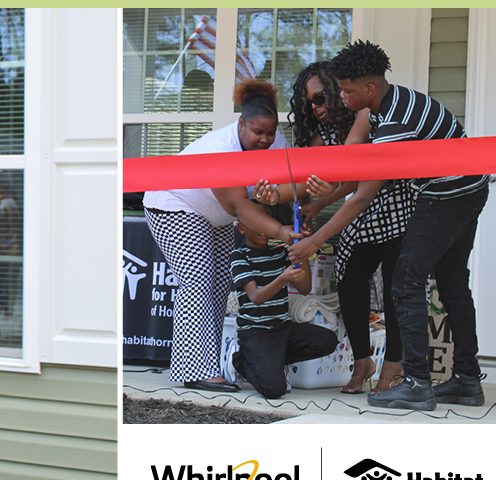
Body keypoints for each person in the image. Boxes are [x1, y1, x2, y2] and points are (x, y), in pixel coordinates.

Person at [327, 40, 490, 411]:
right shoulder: (391, 103)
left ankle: (416, 382)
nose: (342, 95)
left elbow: (365, 194)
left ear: (369, 88)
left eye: (347, 89)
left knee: (405, 280)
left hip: (448, 192)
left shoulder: (394, 120)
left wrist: (317, 234)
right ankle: (467, 380)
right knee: (451, 284)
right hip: (468, 187)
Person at [142, 80, 300, 392]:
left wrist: (273, 196)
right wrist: (280, 230)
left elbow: (288, 185)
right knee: (197, 281)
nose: (265, 139)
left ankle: (208, 365)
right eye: (258, 132)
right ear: (241, 124)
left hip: (214, 216)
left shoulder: (274, 141)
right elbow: (239, 205)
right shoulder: (220, 149)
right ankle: (195, 370)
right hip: (174, 204)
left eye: (270, 132)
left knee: (217, 287)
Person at [286, 64, 415, 394]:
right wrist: (297, 199)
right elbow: (312, 182)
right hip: (360, 208)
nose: (316, 107)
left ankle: (394, 366)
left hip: (398, 202)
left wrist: (323, 203)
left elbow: (359, 174)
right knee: (349, 280)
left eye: (320, 97)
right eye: (308, 104)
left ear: (338, 89)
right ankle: (362, 360)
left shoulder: (363, 115)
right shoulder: (322, 134)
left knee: (394, 287)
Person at [229, 205, 336, 398]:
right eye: (256, 222)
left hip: (282, 328)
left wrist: (300, 250)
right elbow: (256, 297)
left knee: (327, 341)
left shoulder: (279, 253)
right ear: (241, 228)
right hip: (256, 333)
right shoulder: (239, 256)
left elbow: (304, 289)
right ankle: (242, 360)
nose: (264, 228)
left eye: (267, 222)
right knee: (274, 390)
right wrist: (282, 279)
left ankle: (274, 359)